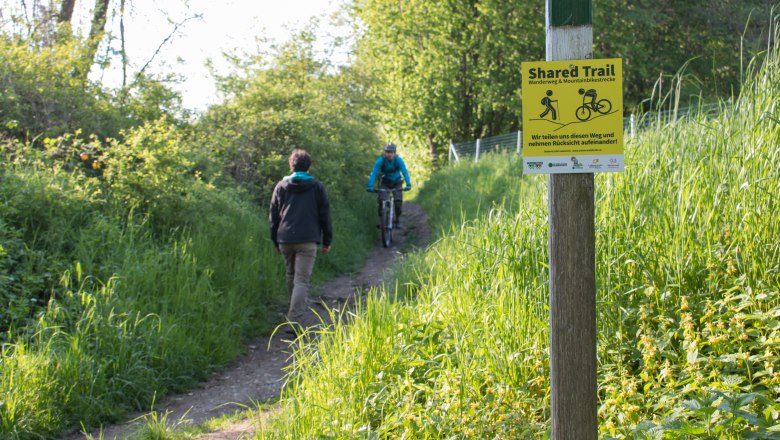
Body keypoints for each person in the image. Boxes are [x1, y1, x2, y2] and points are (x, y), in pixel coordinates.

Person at [269, 149, 332, 331]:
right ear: (309, 167)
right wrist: (327, 240)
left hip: (285, 239)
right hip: (307, 240)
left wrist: (275, 240)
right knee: (301, 281)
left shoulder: (281, 186)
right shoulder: (316, 186)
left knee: (291, 276)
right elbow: (324, 214)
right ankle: (294, 320)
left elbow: (273, 216)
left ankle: (293, 314)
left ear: (291, 165)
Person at [366, 143, 411, 228]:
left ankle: (397, 220)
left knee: (398, 202)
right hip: (385, 182)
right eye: (387, 152)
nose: (389, 154)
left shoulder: (398, 160)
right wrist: (370, 185)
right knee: (381, 200)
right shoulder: (381, 160)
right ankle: (382, 220)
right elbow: (374, 173)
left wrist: (408, 184)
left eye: (391, 152)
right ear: (385, 153)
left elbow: (404, 171)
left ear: (394, 153)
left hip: (397, 182)